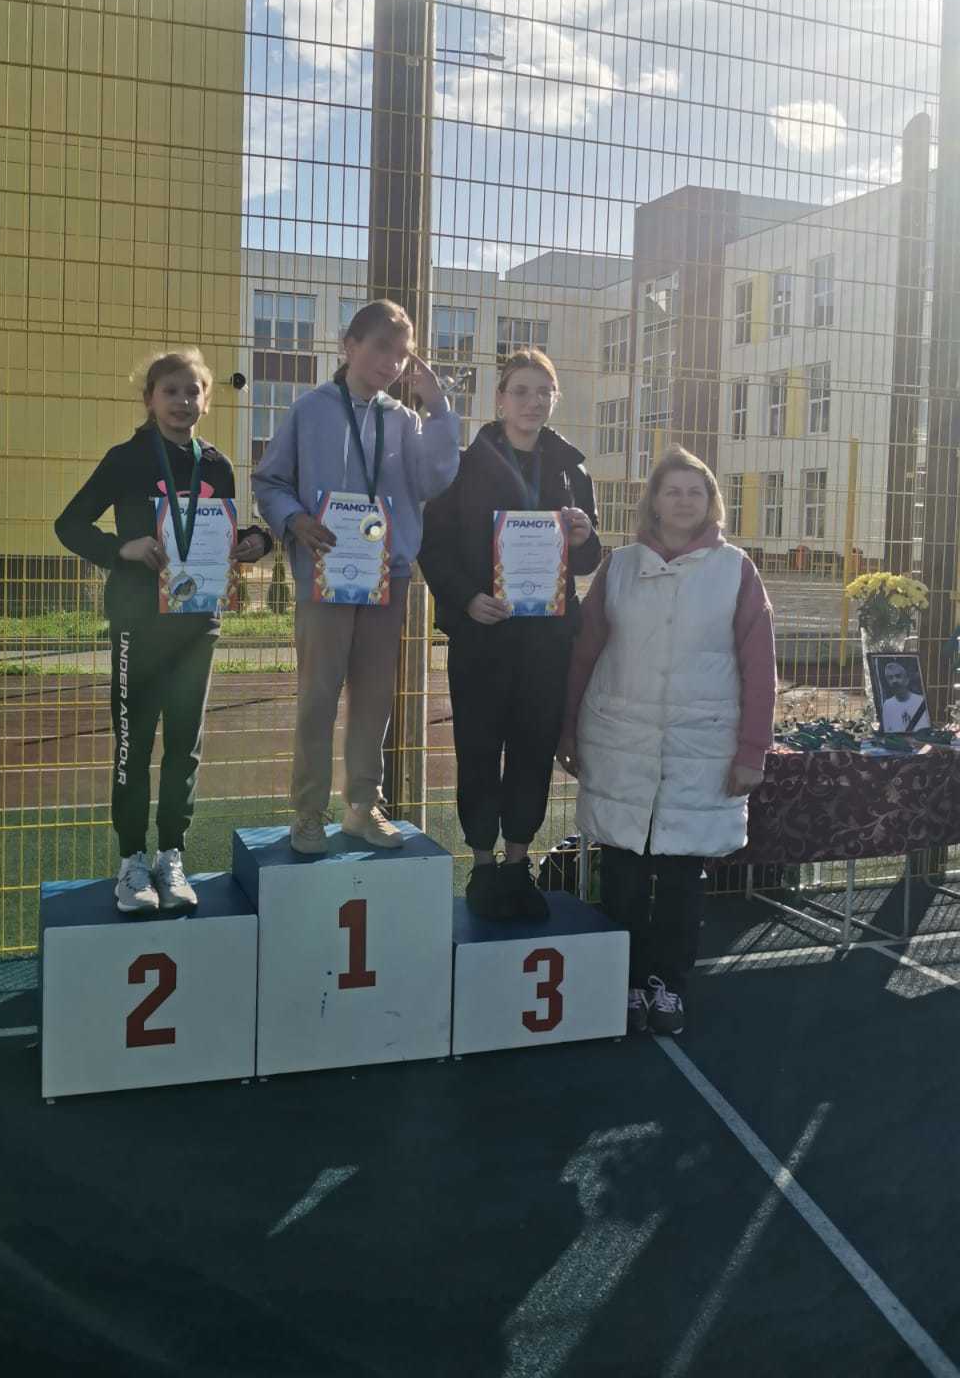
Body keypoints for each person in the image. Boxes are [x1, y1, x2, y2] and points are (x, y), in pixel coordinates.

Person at [558, 446, 776, 1036]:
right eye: (672, 490)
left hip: (700, 749)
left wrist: (752, 750)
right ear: (653, 501)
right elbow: (584, 653)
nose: (683, 501)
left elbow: (760, 668)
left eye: (695, 492)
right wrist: (568, 728)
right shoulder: (620, 566)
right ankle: (625, 981)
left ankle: (669, 984)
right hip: (620, 742)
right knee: (623, 874)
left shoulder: (736, 570)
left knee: (681, 879)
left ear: (712, 503)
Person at [55, 349, 272, 914]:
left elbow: (216, 533)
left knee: (184, 747)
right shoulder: (126, 459)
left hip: (197, 625)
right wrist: (121, 549)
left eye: (194, 391)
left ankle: (171, 855)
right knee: (133, 745)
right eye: (170, 391)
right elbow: (69, 524)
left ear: (208, 400)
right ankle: (132, 861)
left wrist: (255, 542)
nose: (183, 401)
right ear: (149, 399)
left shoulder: (216, 465)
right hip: (138, 625)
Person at [253, 299, 460, 854]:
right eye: (381, 348)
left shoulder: (405, 420)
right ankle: (308, 813)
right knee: (318, 696)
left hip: (385, 577)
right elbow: (270, 481)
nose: (392, 362)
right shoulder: (309, 410)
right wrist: (294, 520)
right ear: (349, 346)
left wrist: (439, 407)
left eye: (402, 354)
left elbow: (436, 478)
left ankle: (363, 806)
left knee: (374, 697)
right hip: (323, 575)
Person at [419, 349, 600, 920]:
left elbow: (587, 560)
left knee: (533, 749)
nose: (532, 402)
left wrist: (585, 538)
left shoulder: (571, 469)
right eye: (521, 391)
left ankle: (518, 864)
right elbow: (433, 546)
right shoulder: (464, 466)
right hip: (484, 636)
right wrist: (466, 599)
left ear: (554, 400)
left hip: (546, 641)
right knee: (478, 748)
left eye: (543, 392)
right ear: (499, 399)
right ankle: (482, 864)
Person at [880, 659, 928, 732]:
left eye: (898, 676)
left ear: (907, 680)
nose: (894, 681)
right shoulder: (887, 705)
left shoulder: (921, 701)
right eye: (890, 678)